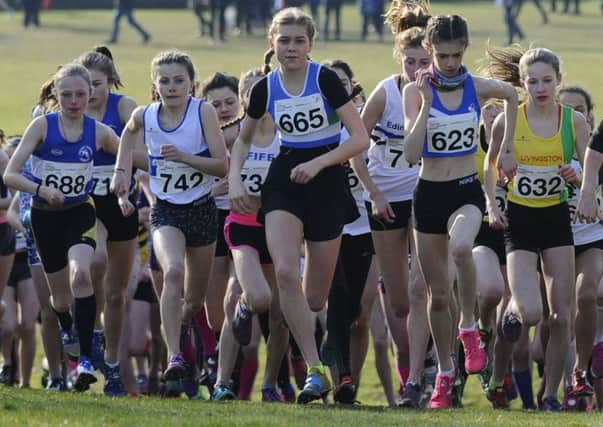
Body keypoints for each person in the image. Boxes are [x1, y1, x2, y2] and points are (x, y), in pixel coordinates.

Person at [228, 7, 368, 404]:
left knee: (314, 299)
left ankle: (317, 362)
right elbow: (241, 139)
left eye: (299, 40)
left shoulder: (323, 78)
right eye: (284, 40)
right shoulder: (265, 88)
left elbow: (359, 138)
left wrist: (320, 162)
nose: (291, 47)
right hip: (285, 179)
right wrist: (235, 178)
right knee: (286, 271)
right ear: (272, 43)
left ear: (310, 43)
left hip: (326, 178)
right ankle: (314, 370)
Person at [403, 14, 519, 409]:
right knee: (437, 296)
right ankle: (445, 373)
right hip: (428, 196)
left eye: (456, 54)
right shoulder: (414, 91)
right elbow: (411, 153)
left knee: (461, 248)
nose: (450, 63)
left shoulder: (476, 86)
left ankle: (468, 327)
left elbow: (510, 93)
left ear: (464, 50)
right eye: (442, 55)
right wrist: (426, 106)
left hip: (465, 192)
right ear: (431, 51)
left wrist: (506, 146)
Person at [3, 63, 123, 392]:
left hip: (80, 211)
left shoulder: (97, 131)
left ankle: (85, 359)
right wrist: (41, 190)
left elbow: (127, 151)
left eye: (81, 94)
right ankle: (68, 326)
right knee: (59, 299)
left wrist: (130, 174)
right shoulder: (42, 126)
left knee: (82, 275)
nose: (74, 100)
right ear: (56, 95)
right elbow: (10, 175)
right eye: (66, 94)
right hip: (45, 216)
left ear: (91, 94)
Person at [111, 50, 227, 382]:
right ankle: (175, 357)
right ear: (154, 84)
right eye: (165, 81)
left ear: (192, 84)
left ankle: (183, 328)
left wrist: (185, 158)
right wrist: (121, 171)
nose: (172, 87)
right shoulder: (145, 115)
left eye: (179, 80)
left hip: (202, 209)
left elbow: (222, 165)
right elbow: (127, 133)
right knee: (173, 271)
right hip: (166, 211)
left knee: (194, 301)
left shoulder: (202, 111)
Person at [485, 47, 589, 411]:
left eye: (547, 80)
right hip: (520, 221)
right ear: (522, 83)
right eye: (532, 81)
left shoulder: (573, 121)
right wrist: (492, 203)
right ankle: (507, 333)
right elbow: (490, 166)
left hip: (557, 219)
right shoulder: (510, 121)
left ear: (558, 81)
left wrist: (577, 177)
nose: (540, 87)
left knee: (562, 315)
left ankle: (549, 396)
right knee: (529, 313)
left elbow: (591, 170)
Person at [350, 0, 431, 409]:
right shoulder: (385, 93)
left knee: (422, 288)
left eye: (424, 62)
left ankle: (422, 373)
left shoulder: (440, 93)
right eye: (410, 61)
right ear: (399, 59)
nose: (417, 70)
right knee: (399, 301)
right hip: (384, 198)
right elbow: (356, 148)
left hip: (424, 195)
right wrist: (374, 193)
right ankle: (421, 361)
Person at [75, 46, 142, 396]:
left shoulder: (125, 108)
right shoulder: (71, 111)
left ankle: (112, 365)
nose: (89, 92)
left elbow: (144, 154)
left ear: (110, 82)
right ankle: (90, 334)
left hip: (122, 204)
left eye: (97, 84)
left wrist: (134, 177)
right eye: (84, 84)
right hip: (86, 203)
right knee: (95, 259)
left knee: (117, 295)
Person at [558, 85, 603, 407]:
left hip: (593, 239)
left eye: (580, 109)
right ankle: (566, 390)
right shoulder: (541, 145)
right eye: (567, 109)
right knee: (557, 320)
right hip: (552, 242)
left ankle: (583, 374)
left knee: (589, 295)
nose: (575, 116)